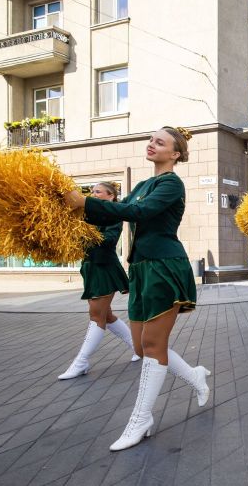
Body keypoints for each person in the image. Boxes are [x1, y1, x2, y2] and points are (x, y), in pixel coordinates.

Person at [64, 127, 210, 452]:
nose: (152, 144)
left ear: (175, 153)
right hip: (141, 269)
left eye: (160, 142)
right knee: (142, 347)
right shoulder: (144, 185)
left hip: (164, 267)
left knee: (154, 345)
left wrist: (86, 201)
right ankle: (195, 376)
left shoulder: (171, 183)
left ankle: (141, 419)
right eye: (151, 140)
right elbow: (117, 215)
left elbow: (138, 212)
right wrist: (70, 212)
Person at [58, 182, 139, 381]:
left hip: (105, 268)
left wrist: (83, 233)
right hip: (91, 267)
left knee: (96, 316)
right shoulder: (86, 213)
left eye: (98, 191)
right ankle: (139, 349)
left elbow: (109, 240)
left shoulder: (113, 214)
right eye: (92, 191)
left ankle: (81, 361)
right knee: (107, 315)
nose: (93, 194)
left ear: (111, 196)